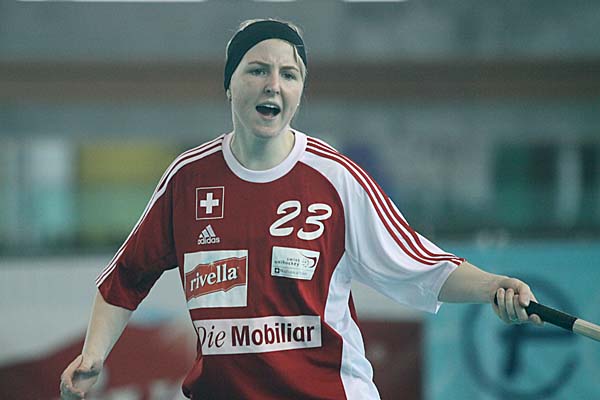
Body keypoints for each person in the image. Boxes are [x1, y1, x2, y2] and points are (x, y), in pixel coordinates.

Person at [60, 18, 543, 400]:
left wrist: (494, 286)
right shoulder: (188, 179)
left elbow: (420, 264)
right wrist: (93, 355)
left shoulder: (335, 178)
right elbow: (126, 277)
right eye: (257, 70)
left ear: (299, 93)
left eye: (288, 75)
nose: (273, 84)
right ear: (229, 84)